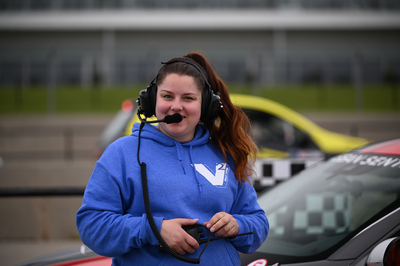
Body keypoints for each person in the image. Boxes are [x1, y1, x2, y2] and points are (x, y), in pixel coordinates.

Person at [76, 52, 269, 265]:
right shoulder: (121, 153)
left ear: (206, 106)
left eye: (188, 98)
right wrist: (153, 230)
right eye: (167, 96)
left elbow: (258, 223)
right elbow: (91, 225)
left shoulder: (225, 152)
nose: (176, 106)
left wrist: (238, 226)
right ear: (151, 100)